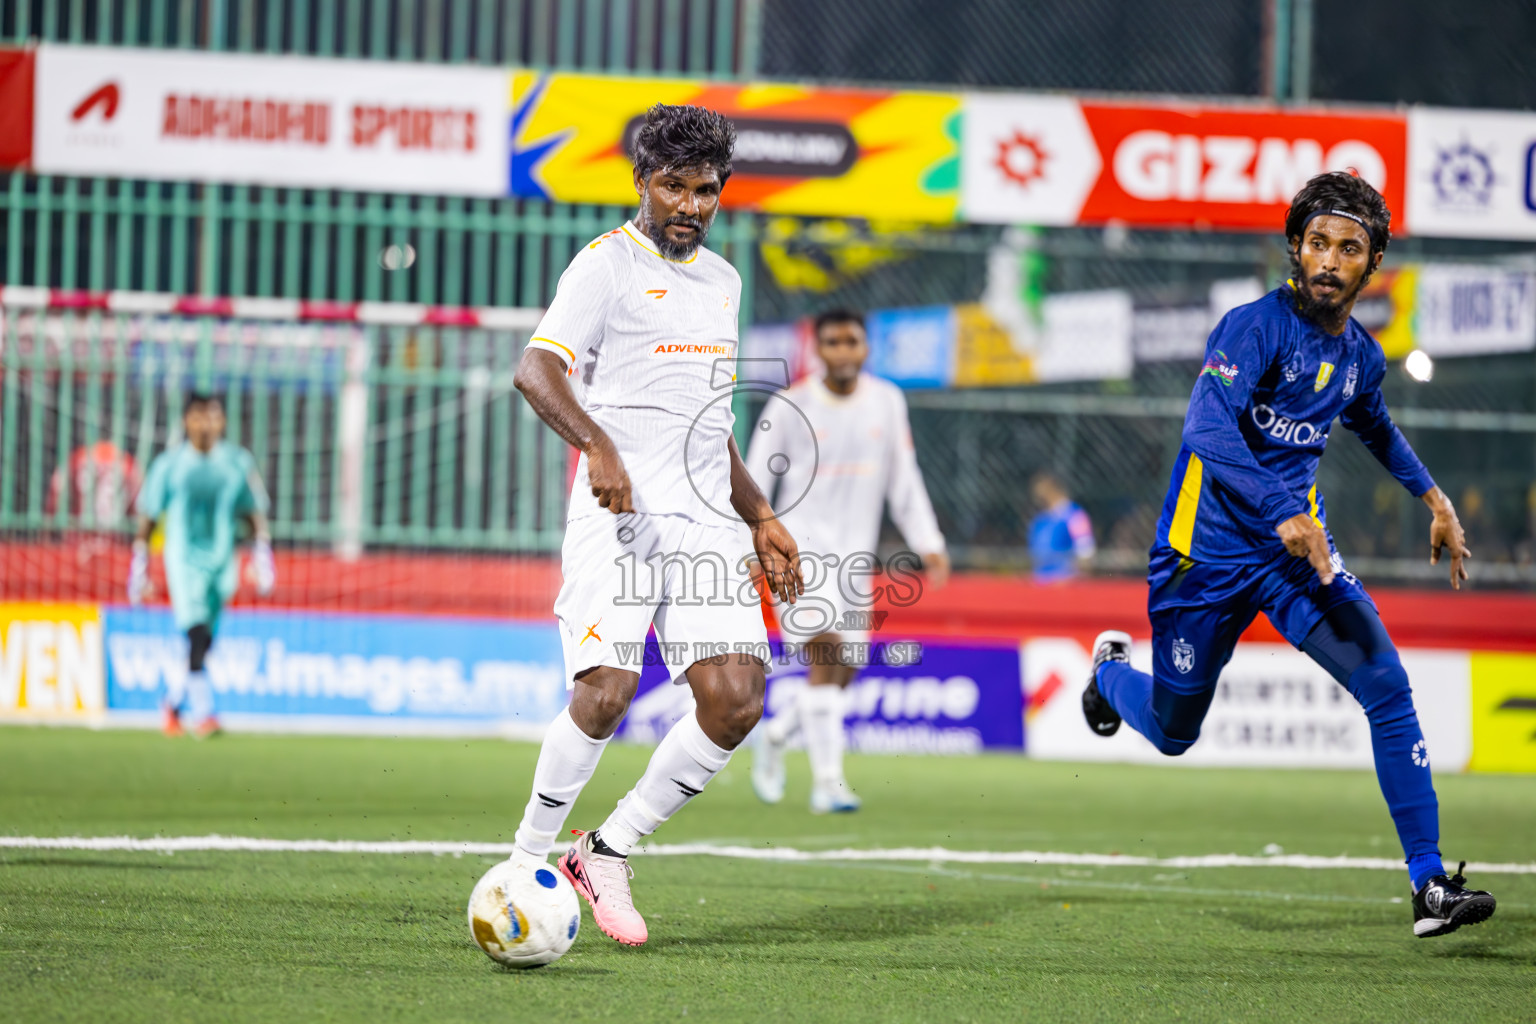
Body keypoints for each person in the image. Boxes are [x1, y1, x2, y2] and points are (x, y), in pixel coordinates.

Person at [1081, 171, 1496, 939]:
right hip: (1199, 563)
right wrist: (1281, 512)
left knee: (1385, 683)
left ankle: (1429, 884)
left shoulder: (1361, 357)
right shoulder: (1253, 328)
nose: (1331, 261)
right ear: (1294, 250)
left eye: (1350, 248)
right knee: (1175, 732)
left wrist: (1433, 498)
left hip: (1295, 561)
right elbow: (1206, 429)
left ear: (1370, 267)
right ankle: (1109, 675)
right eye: (1318, 244)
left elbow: (1371, 423)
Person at [505, 103, 802, 948]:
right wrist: (596, 444)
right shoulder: (604, 266)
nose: (689, 205)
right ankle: (526, 858)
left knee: (737, 698)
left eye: (705, 190)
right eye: (673, 186)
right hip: (621, 513)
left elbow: (709, 424)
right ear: (642, 181)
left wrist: (762, 516)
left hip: (706, 519)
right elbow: (535, 370)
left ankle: (605, 850)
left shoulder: (724, 282)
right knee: (605, 694)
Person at [744, 309, 949, 813]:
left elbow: (905, 478)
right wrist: (749, 549)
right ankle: (828, 783)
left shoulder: (886, 401)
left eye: (850, 341)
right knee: (828, 654)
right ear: (817, 349)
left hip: (855, 561)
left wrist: (929, 541)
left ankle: (776, 735)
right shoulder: (790, 404)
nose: (841, 351)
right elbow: (751, 482)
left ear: (865, 348)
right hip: (798, 555)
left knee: (844, 669)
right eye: (831, 342)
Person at [129, 394, 274, 738]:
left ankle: (172, 703)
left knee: (205, 638)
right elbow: (149, 514)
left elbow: (252, 511)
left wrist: (262, 555)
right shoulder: (170, 464)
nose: (206, 424)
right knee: (195, 631)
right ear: (186, 421)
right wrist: (140, 563)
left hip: (223, 558)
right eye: (198, 417)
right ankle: (204, 711)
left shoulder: (237, 462)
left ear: (223, 422)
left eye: (213, 416)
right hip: (182, 557)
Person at [1027, 471, 1095, 582]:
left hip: (1064, 583)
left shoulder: (1074, 516)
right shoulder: (1040, 519)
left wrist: (1073, 577)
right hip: (1040, 582)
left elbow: (1085, 553)